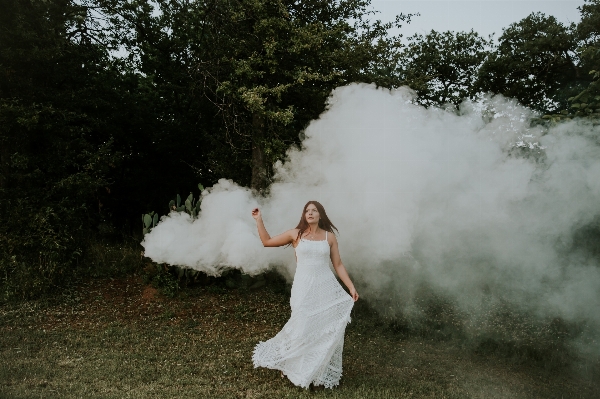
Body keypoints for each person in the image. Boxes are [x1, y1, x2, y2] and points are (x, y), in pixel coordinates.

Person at [251, 201, 359, 390]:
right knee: (301, 326)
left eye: (314, 210)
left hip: (324, 287)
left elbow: (338, 265)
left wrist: (351, 287)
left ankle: (316, 370)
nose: (310, 213)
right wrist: (259, 219)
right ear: (304, 215)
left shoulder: (329, 237)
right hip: (303, 287)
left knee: (322, 327)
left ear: (320, 215)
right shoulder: (296, 234)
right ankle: (289, 364)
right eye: (307, 211)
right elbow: (267, 242)